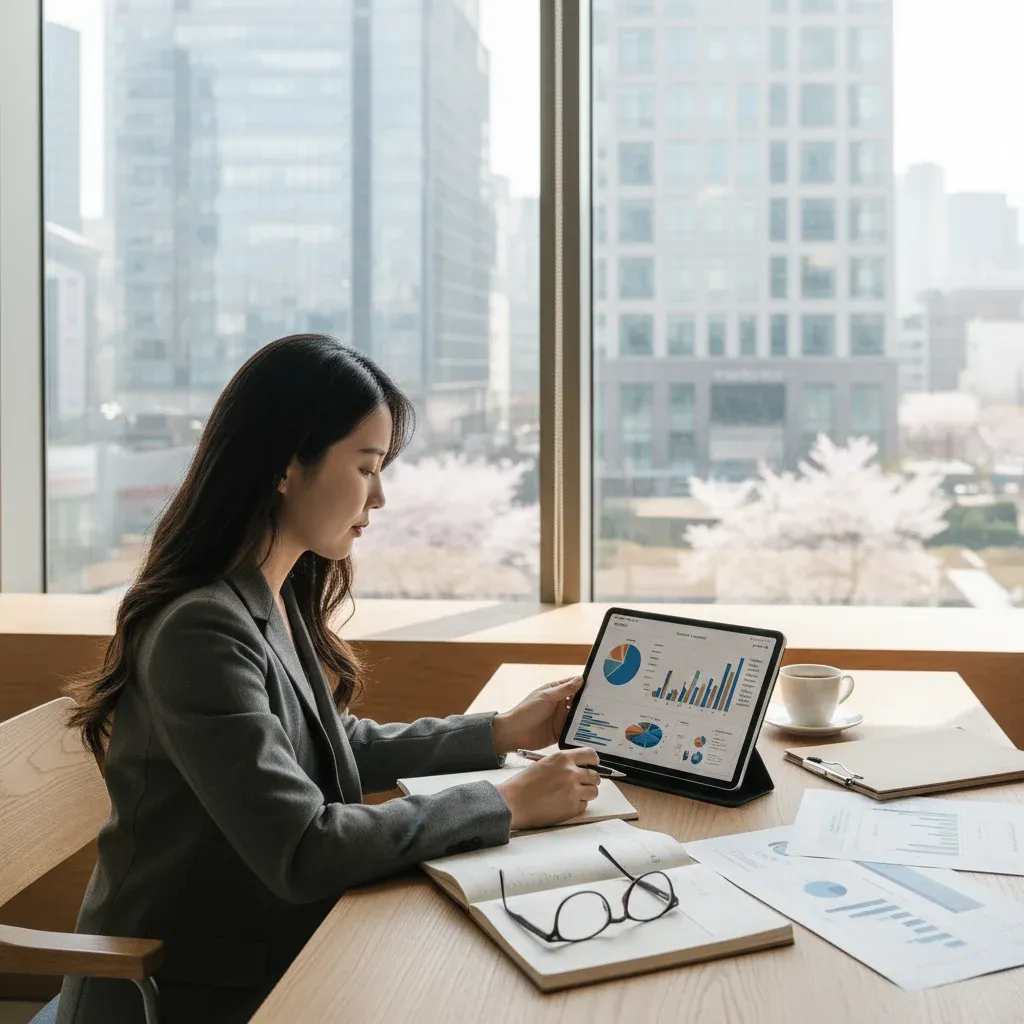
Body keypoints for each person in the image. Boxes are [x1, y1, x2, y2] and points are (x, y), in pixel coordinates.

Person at [59, 335, 600, 1024]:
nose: (381, 496)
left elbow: (326, 747)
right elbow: (304, 849)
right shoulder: (202, 630)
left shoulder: (269, 593)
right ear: (287, 466)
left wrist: (496, 733)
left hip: (277, 952)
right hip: (182, 991)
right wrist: (507, 802)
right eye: (367, 466)